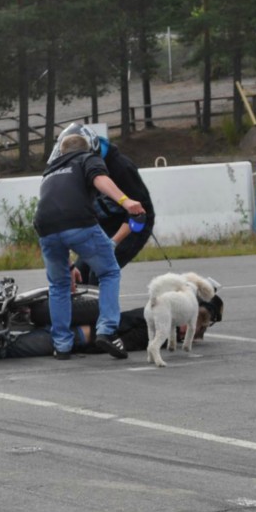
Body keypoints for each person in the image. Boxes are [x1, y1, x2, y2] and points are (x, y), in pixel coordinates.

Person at [35, 123, 146, 360]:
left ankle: (62, 345)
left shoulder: (50, 171)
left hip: (45, 228)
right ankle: (107, 330)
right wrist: (126, 201)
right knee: (109, 272)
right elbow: (99, 179)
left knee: (59, 285)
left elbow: (54, 213)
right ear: (90, 149)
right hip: (79, 222)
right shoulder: (86, 158)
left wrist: (69, 265)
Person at [67, 134, 156, 288]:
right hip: (104, 225)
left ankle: (104, 304)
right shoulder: (81, 168)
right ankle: (85, 305)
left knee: (99, 272)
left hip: (133, 225)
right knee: (80, 274)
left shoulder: (121, 167)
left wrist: (114, 242)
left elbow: (139, 214)